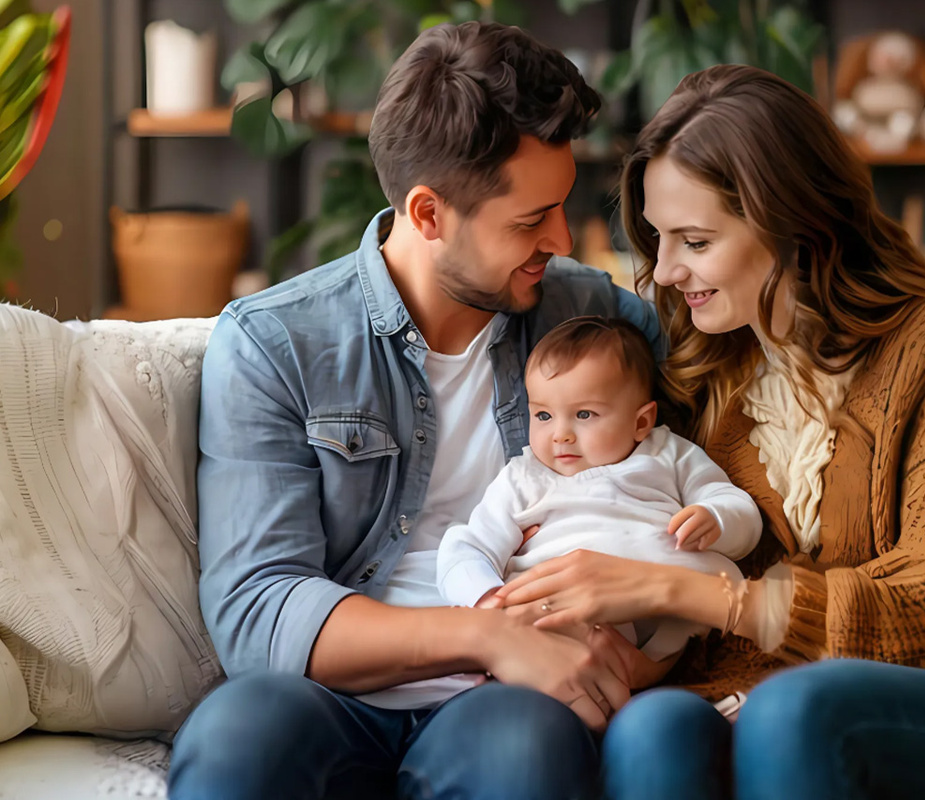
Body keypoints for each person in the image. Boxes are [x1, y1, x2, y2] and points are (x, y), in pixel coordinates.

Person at [491, 64, 925, 800]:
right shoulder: (698, 373)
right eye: (659, 239)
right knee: (651, 729)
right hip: (740, 688)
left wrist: (719, 601)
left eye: (694, 241)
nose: (663, 271)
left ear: (791, 224)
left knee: (793, 713)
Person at [167, 21, 665, 800]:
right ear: (428, 213)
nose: (563, 240)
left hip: (501, 705)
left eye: (562, 207)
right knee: (237, 738)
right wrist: (487, 635)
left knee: (526, 753)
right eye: (531, 220)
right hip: (333, 696)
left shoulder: (594, 318)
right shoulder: (276, 342)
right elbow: (261, 609)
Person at [437, 316, 761, 665]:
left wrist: (716, 518)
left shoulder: (668, 453)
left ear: (641, 423)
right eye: (543, 416)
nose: (561, 434)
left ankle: (652, 668)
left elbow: (736, 506)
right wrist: (486, 598)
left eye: (585, 414)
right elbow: (468, 546)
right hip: (559, 613)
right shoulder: (524, 477)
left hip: (666, 598)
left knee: (718, 590)